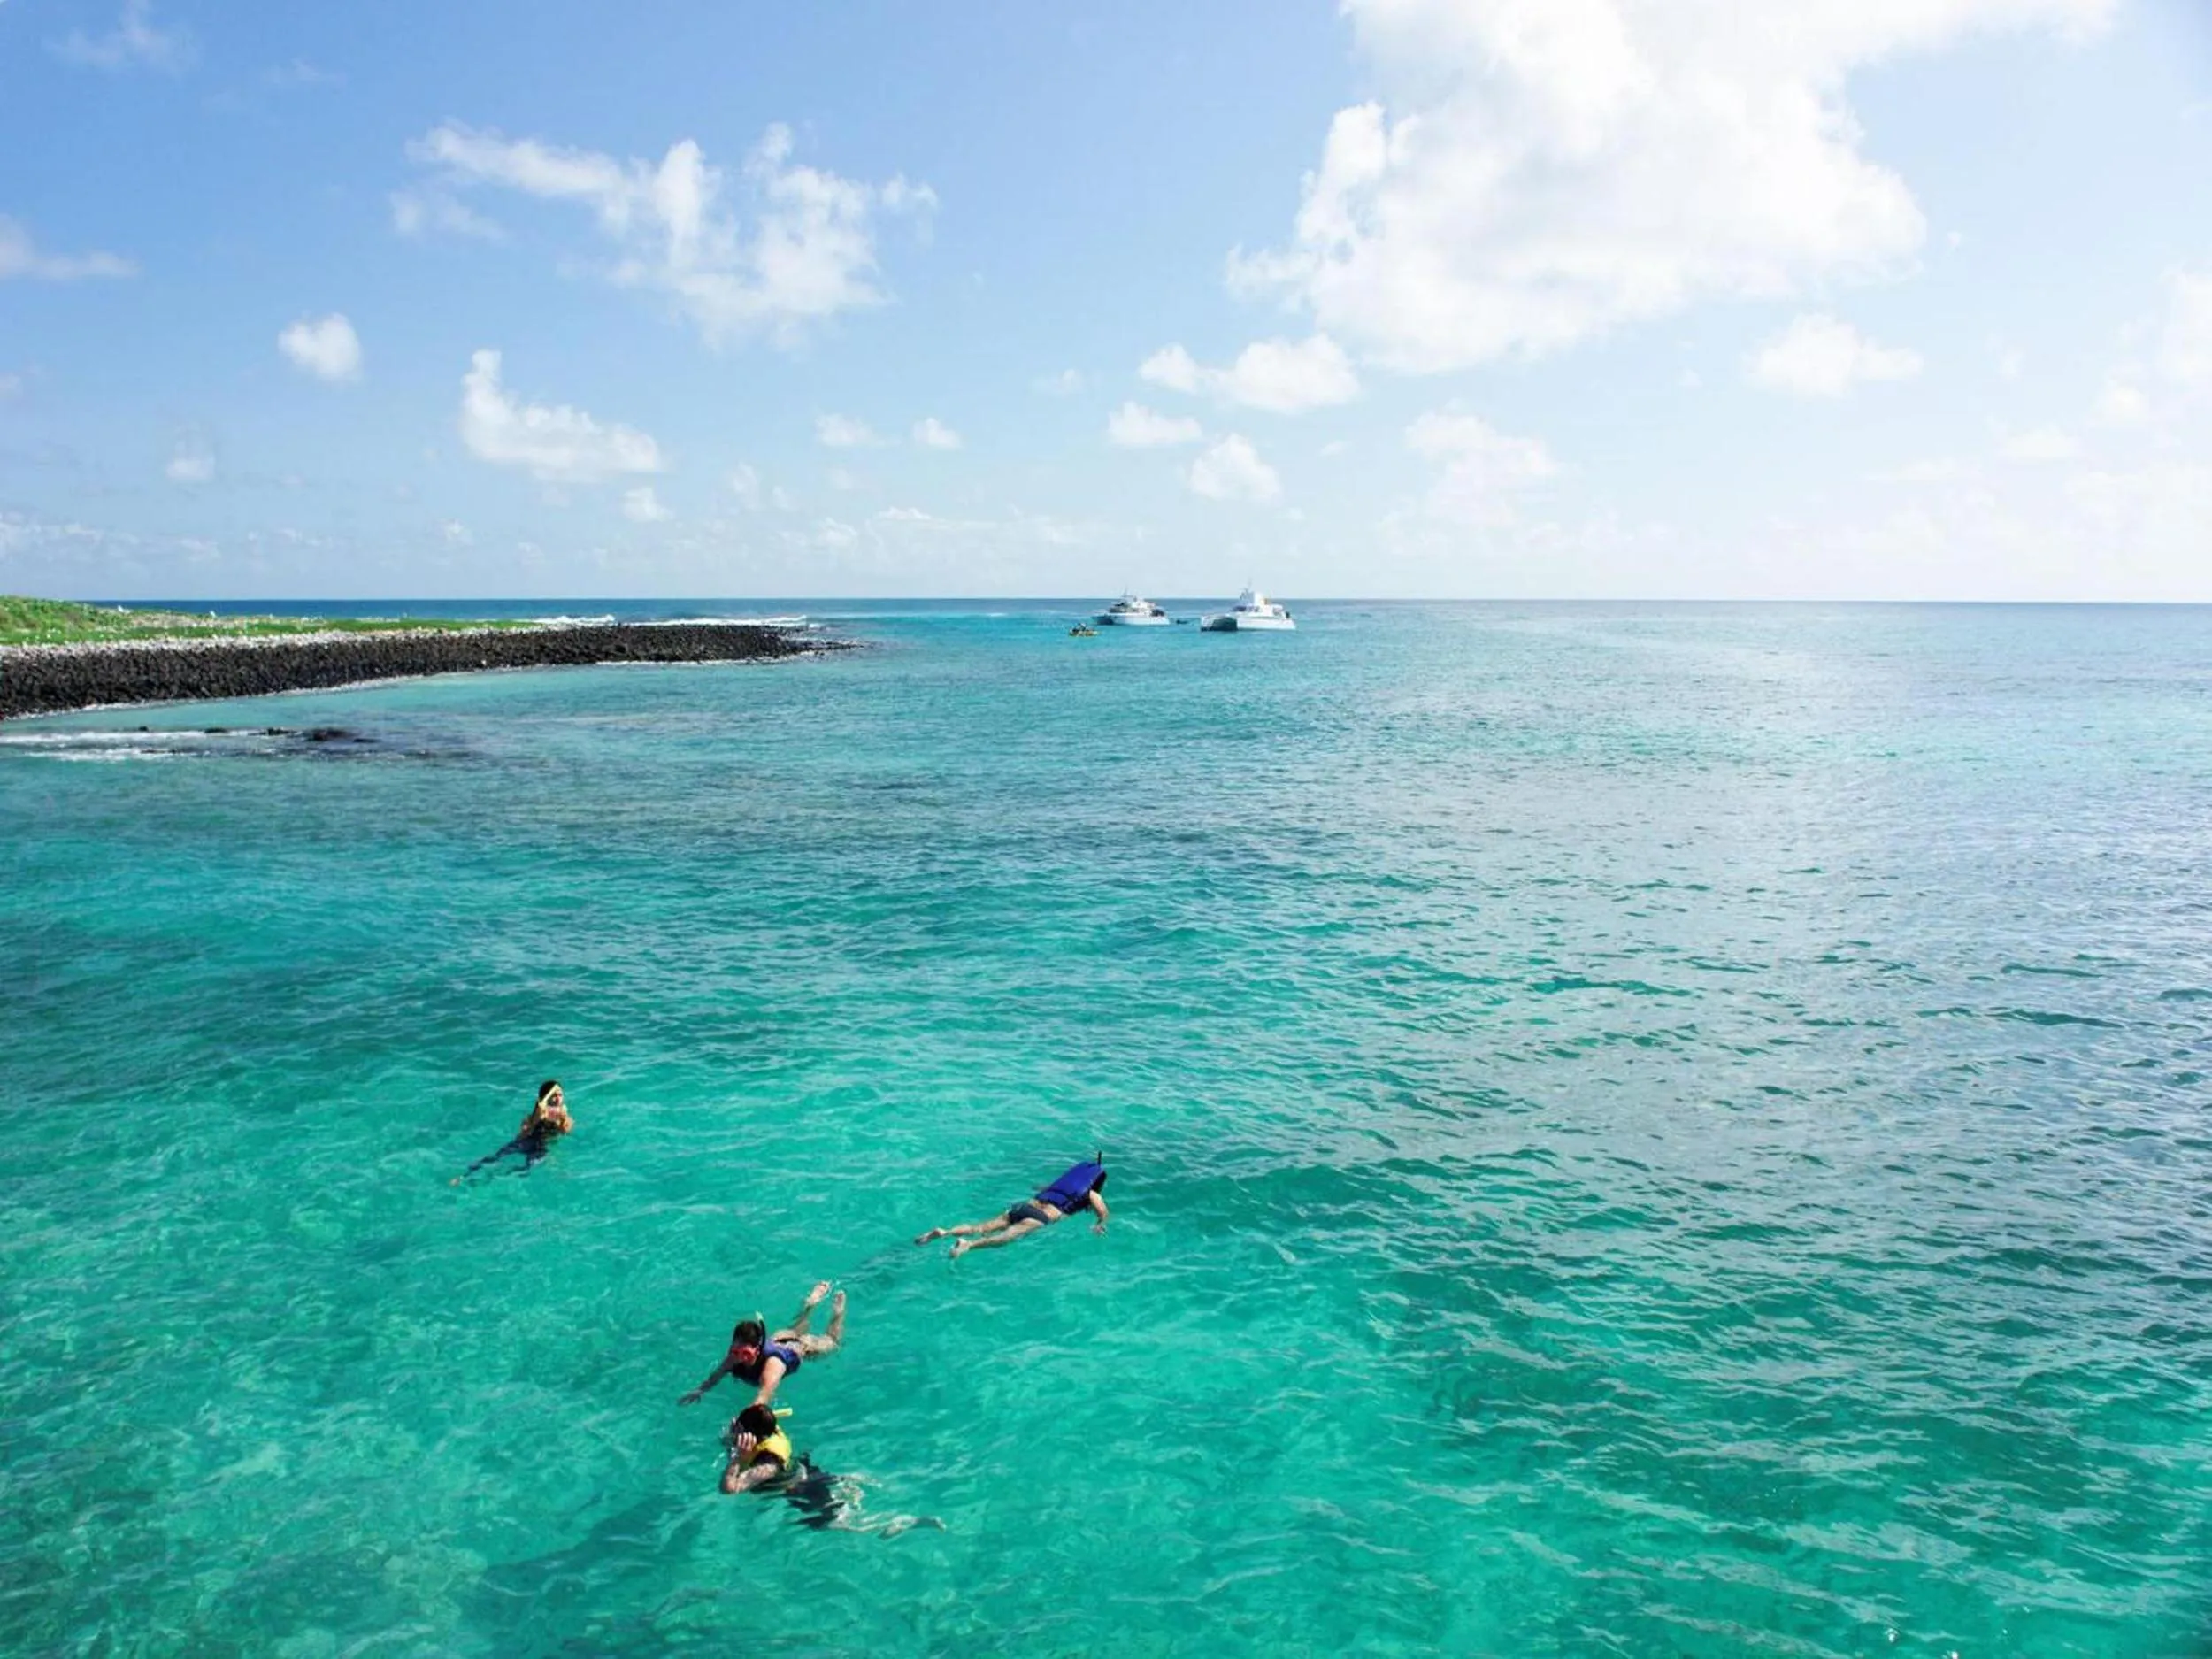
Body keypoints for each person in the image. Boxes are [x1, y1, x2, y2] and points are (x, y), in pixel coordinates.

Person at [719, 1405, 942, 1533]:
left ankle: (904, 1523)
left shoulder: (768, 1464)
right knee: (846, 1501)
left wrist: (739, 1456)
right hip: (807, 1470)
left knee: (843, 1522)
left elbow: (730, 1489)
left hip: (801, 1488)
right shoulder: (770, 1427)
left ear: (750, 1437)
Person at [680, 1281, 845, 1409]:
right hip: (780, 1338)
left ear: (757, 1350)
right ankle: (811, 1303)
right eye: (735, 1351)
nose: (740, 1358)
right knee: (797, 1326)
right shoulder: (734, 1357)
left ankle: (837, 1313)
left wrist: (744, 1419)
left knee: (832, 1342)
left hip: (799, 1347)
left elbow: (764, 1396)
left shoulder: (772, 1365)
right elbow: (715, 1377)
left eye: (745, 1353)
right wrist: (699, 1390)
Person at [912, 1157, 1109, 1259]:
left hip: (1023, 1206)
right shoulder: (1092, 1194)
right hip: (1040, 1216)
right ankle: (969, 1245)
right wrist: (1100, 1223)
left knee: (979, 1228)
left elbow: (1040, 1188)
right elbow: (1103, 1212)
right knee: (1006, 1238)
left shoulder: (1058, 1184)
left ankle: (946, 1232)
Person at [454, 1079, 572, 1182]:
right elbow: (525, 1132)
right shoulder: (533, 1116)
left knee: (527, 1170)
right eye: (554, 1095)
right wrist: (537, 1117)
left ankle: (493, 1178)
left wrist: (562, 1119)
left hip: (541, 1147)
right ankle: (464, 1176)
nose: (558, 1098)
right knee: (496, 1157)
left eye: (560, 1095)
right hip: (525, 1141)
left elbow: (566, 1131)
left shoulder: (565, 1115)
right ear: (546, 1097)